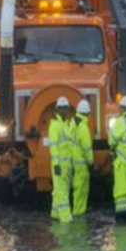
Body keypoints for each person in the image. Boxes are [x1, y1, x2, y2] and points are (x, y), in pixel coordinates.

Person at [48, 95, 74, 223]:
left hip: (66, 165)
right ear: (57, 110)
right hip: (59, 166)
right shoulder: (55, 126)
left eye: (65, 108)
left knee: (59, 191)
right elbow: (54, 147)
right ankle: (66, 220)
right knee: (63, 193)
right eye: (61, 108)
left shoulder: (65, 124)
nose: (64, 111)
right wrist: (57, 164)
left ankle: (55, 214)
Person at [71, 99, 94, 216]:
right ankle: (79, 215)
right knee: (82, 191)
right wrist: (91, 162)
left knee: (77, 190)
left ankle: (77, 211)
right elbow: (87, 148)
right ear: (87, 113)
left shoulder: (73, 123)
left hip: (74, 164)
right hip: (82, 166)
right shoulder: (83, 127)